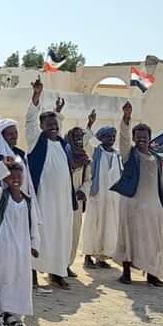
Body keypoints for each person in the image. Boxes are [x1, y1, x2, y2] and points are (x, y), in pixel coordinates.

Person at [25, 79, 76, 290]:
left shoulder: (62, 143)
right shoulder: (37, 140)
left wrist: (57, 111)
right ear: (41, 127)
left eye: (55, 125)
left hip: (62, 201)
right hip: (43, 199)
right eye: (49, 125)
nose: (53, 128)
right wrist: (36, 96)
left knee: (60, 235)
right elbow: (30, 119)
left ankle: (57, 273)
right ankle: (32, 274)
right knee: (40, 234)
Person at [112, 102, 163, 287]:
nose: (142, 140)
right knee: (129, 238)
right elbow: (123, 138)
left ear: (150, 139)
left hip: (153, 207)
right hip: (132, 205)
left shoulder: (156, 158)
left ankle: (152, 275)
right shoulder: (129, 155)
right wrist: (126, 117)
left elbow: (162, 183)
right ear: (134, 138)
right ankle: (126, 273)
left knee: (152, 241)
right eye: (138, 137)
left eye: (145, 137)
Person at [0, 160, 40, 326]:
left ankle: (12, 314)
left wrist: (35, 244)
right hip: (3, 245)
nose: (15, 179)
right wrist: (3, 165)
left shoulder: (28, 200)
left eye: (18, 176)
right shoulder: (1, 195)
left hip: (21, 247)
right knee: (1, 277)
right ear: (5, 179)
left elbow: (34, 224)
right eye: (11, 176)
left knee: (18, 279)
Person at [80, 122, 123, 269]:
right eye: (108, 136)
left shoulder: (117, 154)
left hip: (112, 197)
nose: (111, 139)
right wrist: (89, 125)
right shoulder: (95, 152)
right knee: (93, 225)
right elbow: (84, 142)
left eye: (113, 136)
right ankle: (88, 256)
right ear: (101, 138)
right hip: (97, 195)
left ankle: (102, 257)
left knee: (109, 225)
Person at [65, 123, 92, 277]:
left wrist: (83, 191)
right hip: (63, 200)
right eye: (76, 137)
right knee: (63, 234)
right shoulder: (64, 155)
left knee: (74, 233)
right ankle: (59, 265)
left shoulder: (85, 158)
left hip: (77, 200)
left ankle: (67, 264)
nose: (79, 140)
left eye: (81, 137)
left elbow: (88, 180)